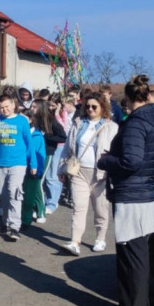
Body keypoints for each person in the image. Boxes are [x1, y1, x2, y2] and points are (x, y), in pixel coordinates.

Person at [97, 75, 154, 306]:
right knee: (138, 256)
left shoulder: (136, 124)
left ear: (128, 98)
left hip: (132, 195)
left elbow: (132, 161)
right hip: (144, 193)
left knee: (131, 257)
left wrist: (105, 161)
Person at [60, 92, 117, 255]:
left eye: (94, 106)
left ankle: (100, 238)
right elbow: (67, 149)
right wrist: (61, 168)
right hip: (79, 172)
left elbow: (115, 151)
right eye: (88, 106)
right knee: (79, 208)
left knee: (101, 210)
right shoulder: (78, 123)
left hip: (101, 175)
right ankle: (75, 242)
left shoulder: (111, 127)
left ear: (102, 108)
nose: (90, 109)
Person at [0, 93, 34, 241]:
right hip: (0, 163)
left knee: (14, 193)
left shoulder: (22, 121)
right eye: (1, 107)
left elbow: (29, 144)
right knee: (3, 194)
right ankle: (5, 223)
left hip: (18, 163)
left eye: (7, 106)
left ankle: (14, 226)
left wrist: (33, 163)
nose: (4, 110)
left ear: (13, 105)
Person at [20, 105, 48, 230]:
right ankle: (18, 218)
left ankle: (26, 220)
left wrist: (38, 170)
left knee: (28, 197)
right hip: (19, 167)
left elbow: (39, 155)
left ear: (30, 120)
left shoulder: (37, 136)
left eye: (24, 118)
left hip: (32, 169)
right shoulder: (19, 132)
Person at [43, 95, 68, 214]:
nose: (51, 108)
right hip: (51, 147)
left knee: (52, 177)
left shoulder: (62, 114)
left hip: (59, 148)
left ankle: (52, 203)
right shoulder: (47, 115)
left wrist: (58, 113)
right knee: (51, 176)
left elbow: (64, 131)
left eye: (54, 105)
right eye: (49, 105)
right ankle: (51, 200)